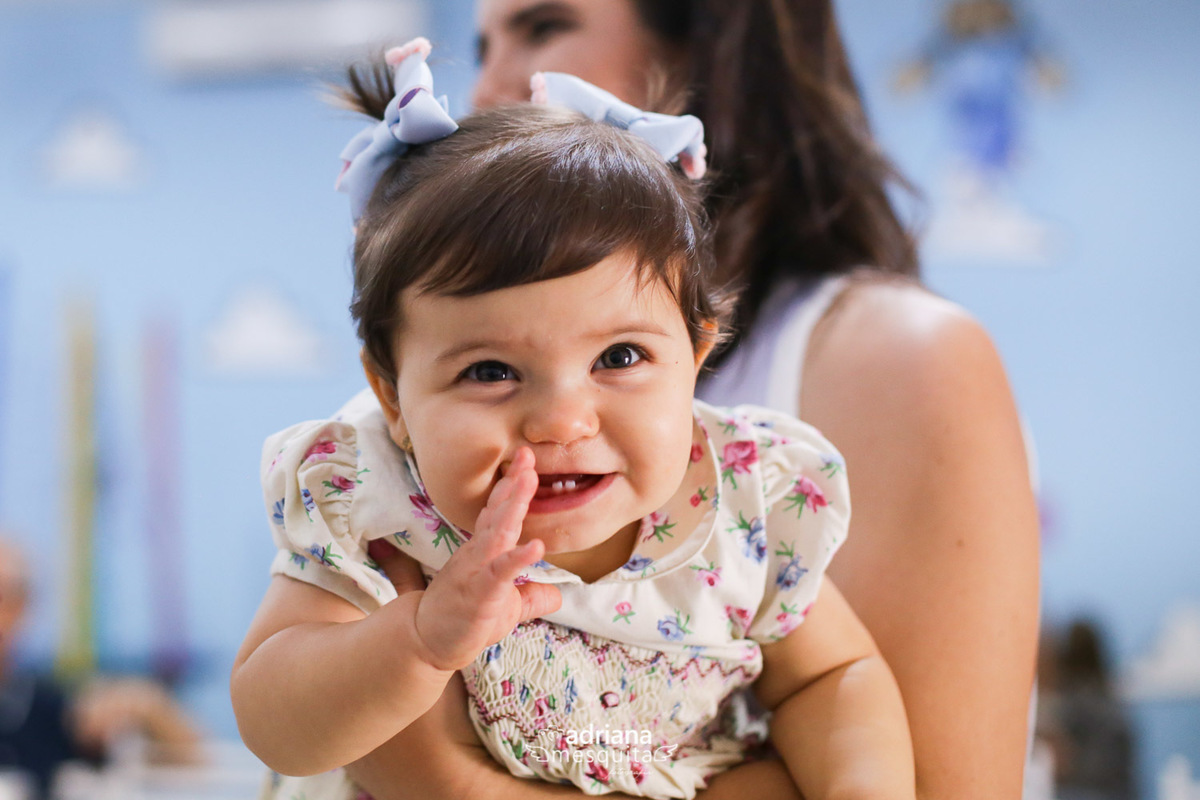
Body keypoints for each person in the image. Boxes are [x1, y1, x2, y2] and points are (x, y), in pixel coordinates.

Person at [340, 2, 1042, 800]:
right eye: (481, 46)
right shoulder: (421, 437)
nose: (486, 91)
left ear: (712, 42)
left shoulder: (825, 421)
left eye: (542, 30)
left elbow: (892, 742)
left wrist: (451, 782)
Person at [231, 39, 915, 800]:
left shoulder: (743, 503)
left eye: (619, 358)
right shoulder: (381, 503)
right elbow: (273, 719)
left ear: (695, 357)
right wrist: (416, 644)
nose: (560, 421)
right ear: (392, 396)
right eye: (489, 372)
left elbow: (832, 676)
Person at [0, 535, 202, 799]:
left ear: (24, 608)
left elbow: (193, 763)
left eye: (8, 597)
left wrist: (147, 705)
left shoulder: (46, 708)